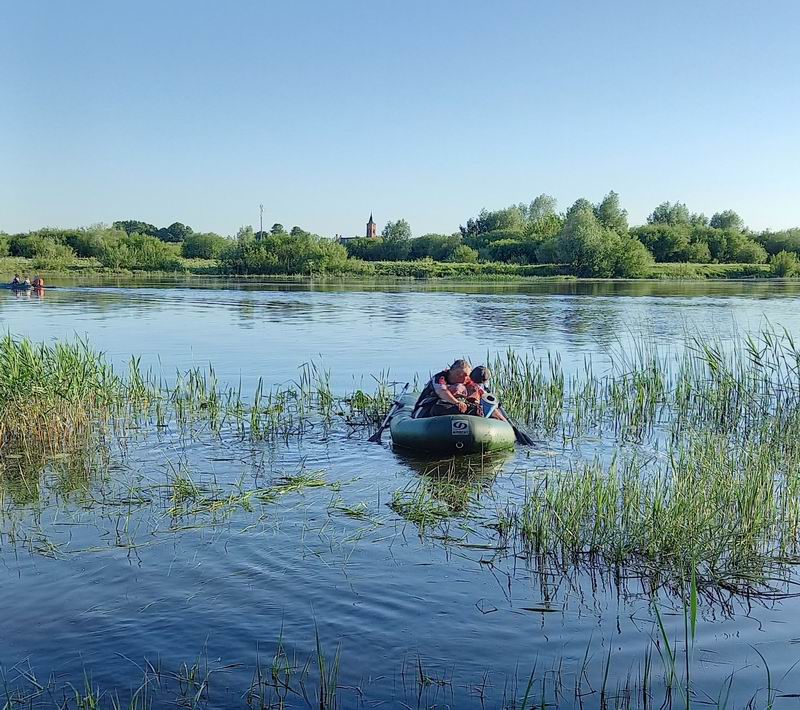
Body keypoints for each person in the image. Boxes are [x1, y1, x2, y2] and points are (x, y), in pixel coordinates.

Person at [412, 359, 480, 418]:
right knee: (439, 409)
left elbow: (479, 391)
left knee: (476, 409)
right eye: (459, 375)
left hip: (453, 407)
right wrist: (457, 402)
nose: (464, 379)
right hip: (429, 407)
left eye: (466, 376)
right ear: (451, 371)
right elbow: (442, 391)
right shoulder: (439, 378)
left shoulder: (468, 381)